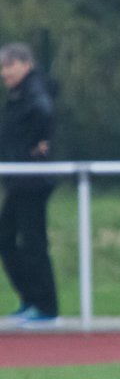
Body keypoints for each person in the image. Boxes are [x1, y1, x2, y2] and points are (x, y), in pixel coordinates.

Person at [0, 42, 60, 326]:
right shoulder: (19, 94)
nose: (4, 73)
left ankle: (47, 308)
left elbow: (44, 113)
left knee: (33, 242)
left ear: (25, 64)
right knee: (6, 238)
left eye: (8, 66)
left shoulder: (34, 92)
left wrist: (38, 145)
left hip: (32, 180)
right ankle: (30, 299)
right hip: (19, 179)